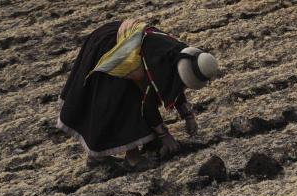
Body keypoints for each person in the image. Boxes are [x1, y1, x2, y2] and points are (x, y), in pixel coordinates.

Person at [57, 18, 218, 167]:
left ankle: (99, 156)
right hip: (110, 50)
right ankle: (131, 158)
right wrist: (165, 136)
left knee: (129, 95)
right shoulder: (158, 65)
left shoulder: (179, 54)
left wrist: (187, 115)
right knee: (125, 100)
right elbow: (148, 106)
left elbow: (174, 83)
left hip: (118, 39)